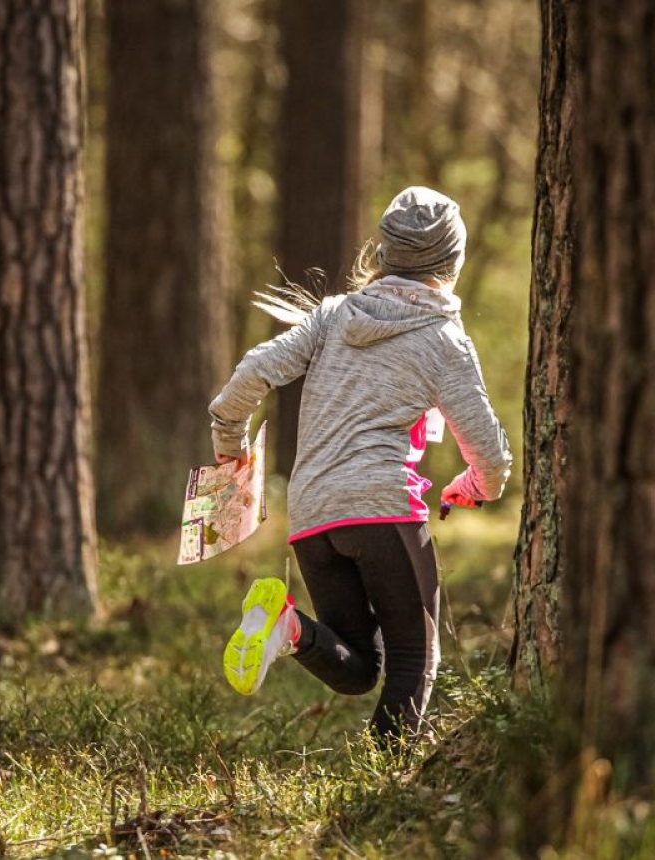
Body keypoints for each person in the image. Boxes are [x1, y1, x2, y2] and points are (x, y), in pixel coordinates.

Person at [208, 186, 512, 744]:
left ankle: (289, 628)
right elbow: (488, 454)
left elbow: (256, 368)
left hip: (312, 515)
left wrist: (230, 438)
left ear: (386, 253)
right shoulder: (443, 338)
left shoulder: (331, 316)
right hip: (382, 507)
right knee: (412, 661)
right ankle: (388, 780)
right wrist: (475, 485)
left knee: (359, 669)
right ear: (453, 262)